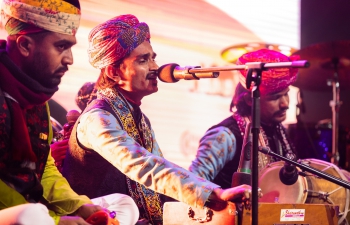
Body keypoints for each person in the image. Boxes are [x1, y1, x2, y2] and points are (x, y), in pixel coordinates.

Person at [62, 14, 251, 225]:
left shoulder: (139, 118)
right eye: (143, 60)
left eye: (153, 57)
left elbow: (160, 182)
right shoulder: (97, 119)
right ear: (114, 72)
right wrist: (212, 194)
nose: (155, 67)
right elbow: (147, 167)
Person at [0, 1, 138, 224]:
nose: (69, 59)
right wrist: (56, 221)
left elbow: (43, 170)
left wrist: (81, 206)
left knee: (122, 205)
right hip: (20, 214)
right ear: (25, 45)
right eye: (61, 46)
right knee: (31, 216)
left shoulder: (35, 99)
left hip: (35, 210)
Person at [189, 49, 299, 189]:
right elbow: (193, 185)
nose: (285, 104)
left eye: (286, 94)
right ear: (249, 99)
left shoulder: (278, 131)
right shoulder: (224, 135)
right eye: (275, 97)